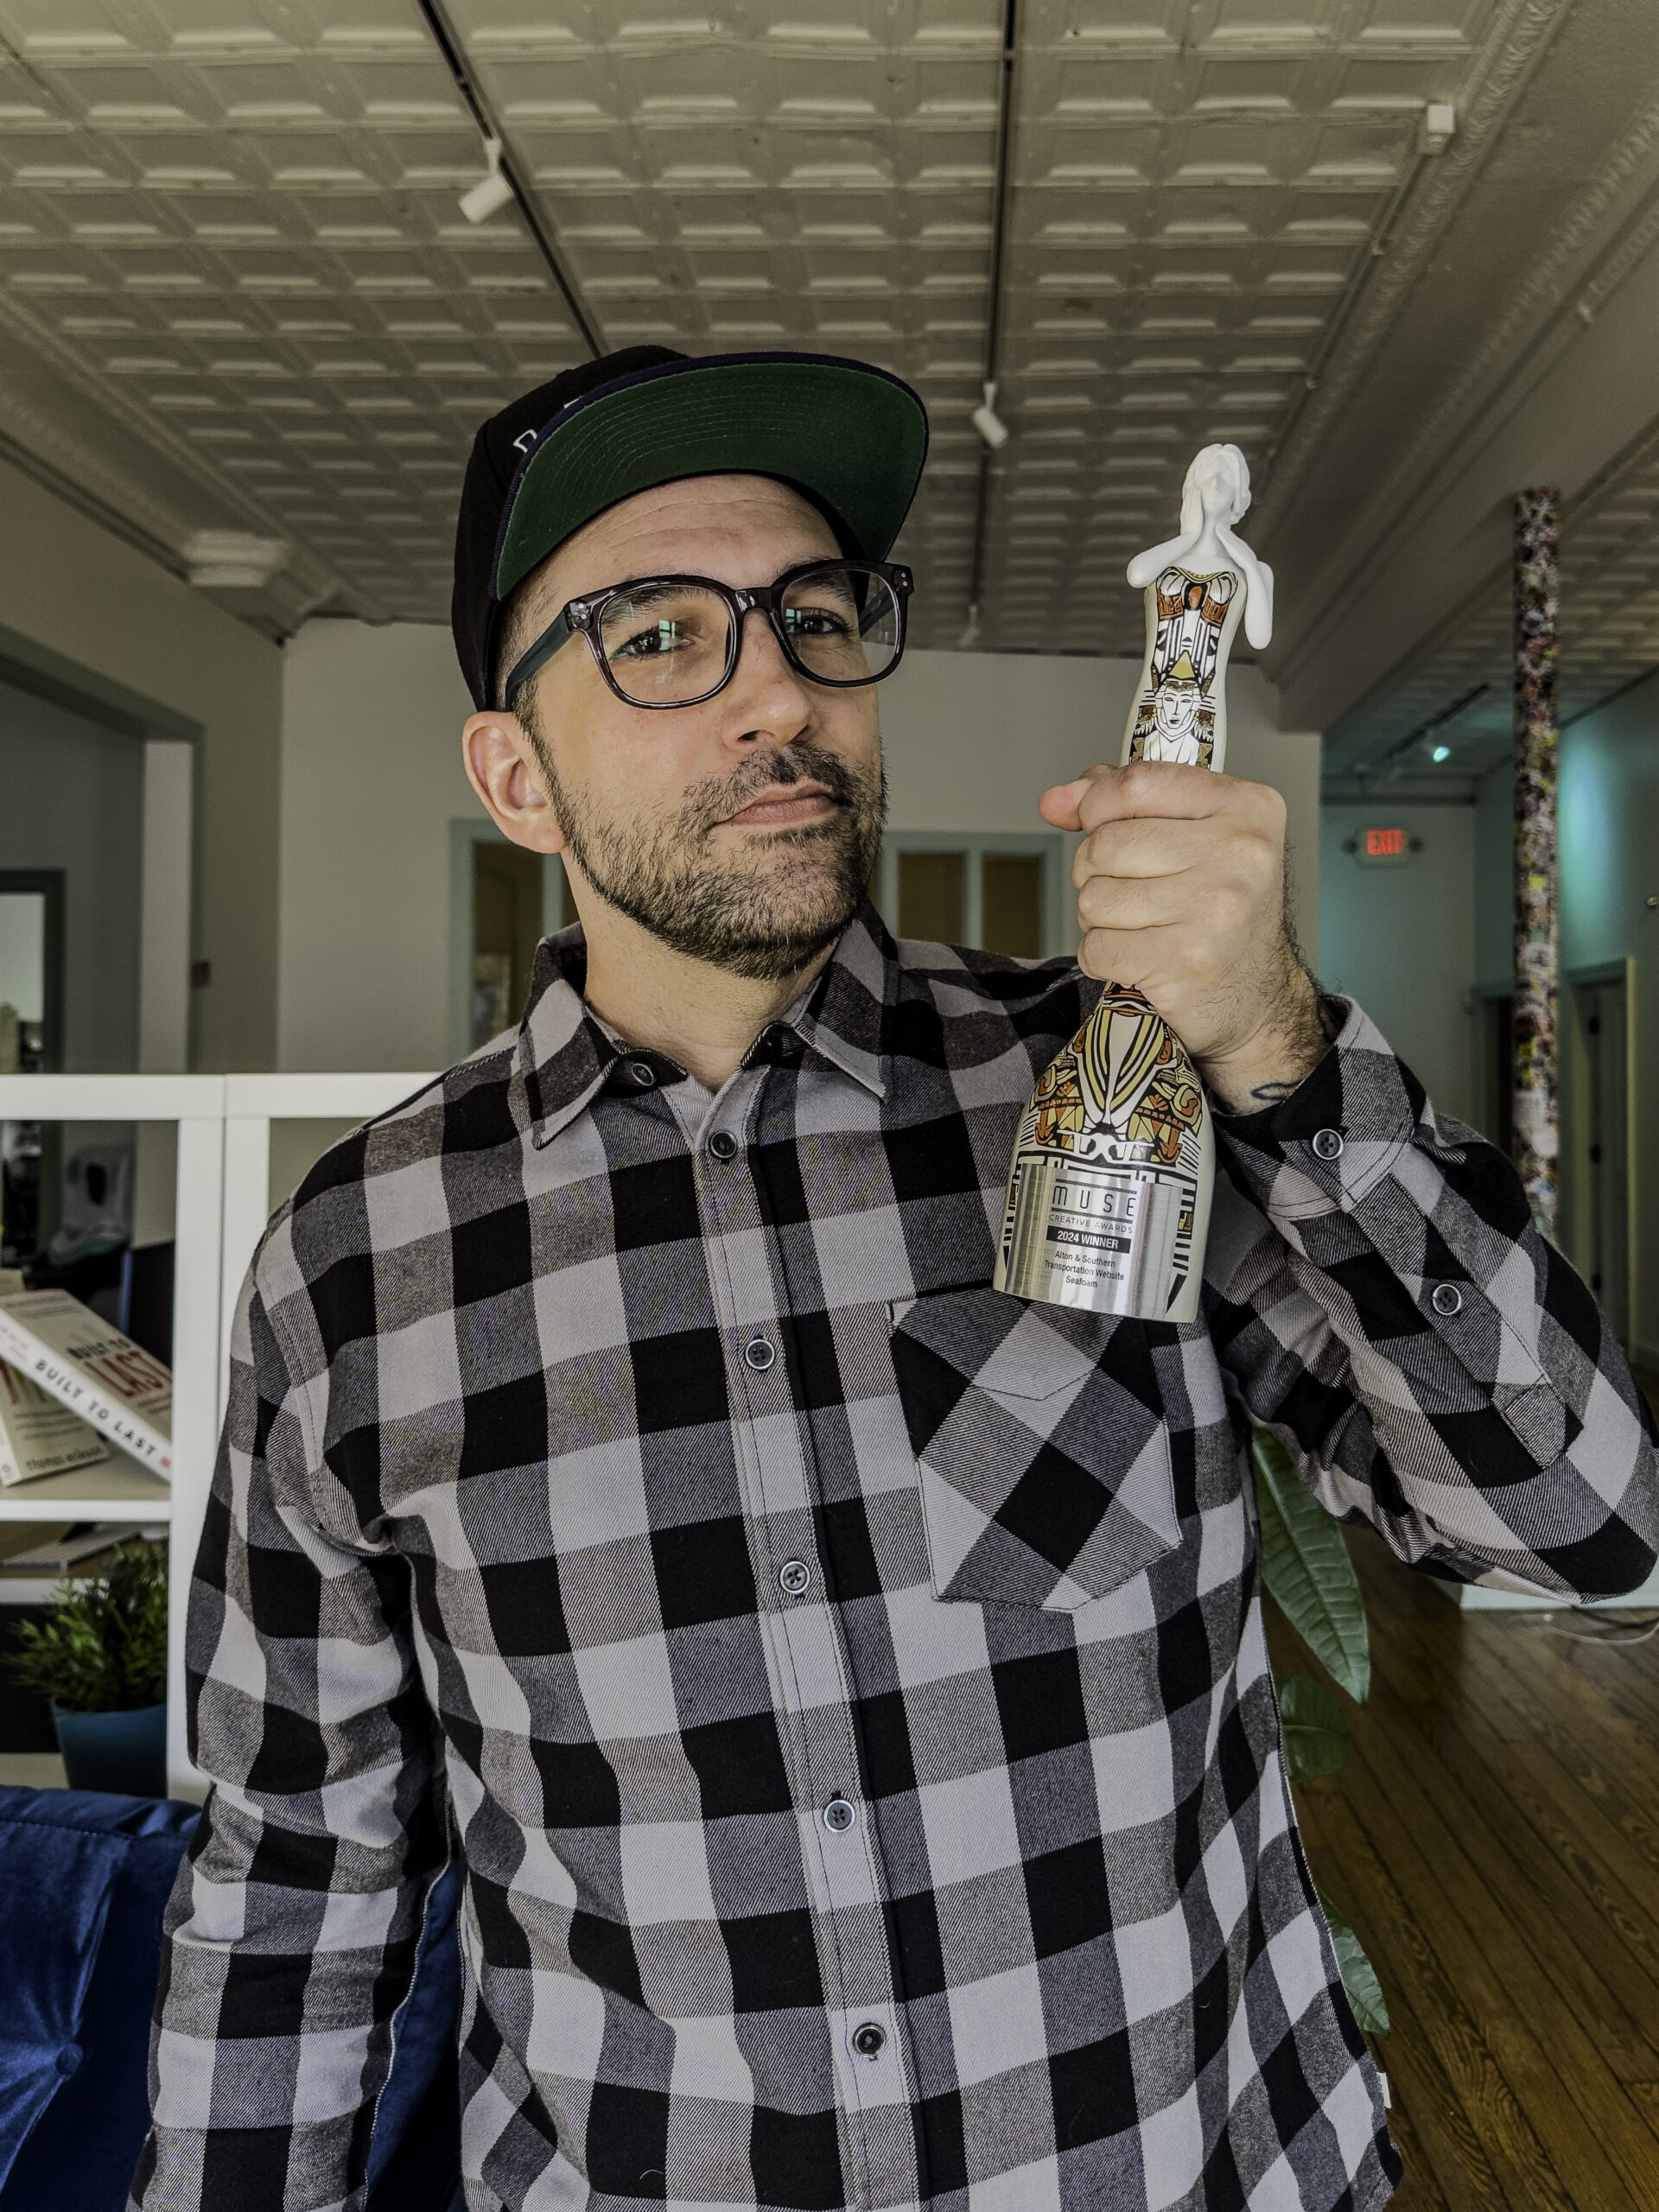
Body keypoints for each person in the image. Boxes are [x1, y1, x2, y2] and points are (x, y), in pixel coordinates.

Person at [135, 346, 1657, 2212]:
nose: (779, 683)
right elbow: (298, 1872)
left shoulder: (1123, 1084)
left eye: (817, 614)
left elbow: (1587, 1525)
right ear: (513, 773)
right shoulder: (358, 1265)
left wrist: (1278, 1040)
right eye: (662, 634)